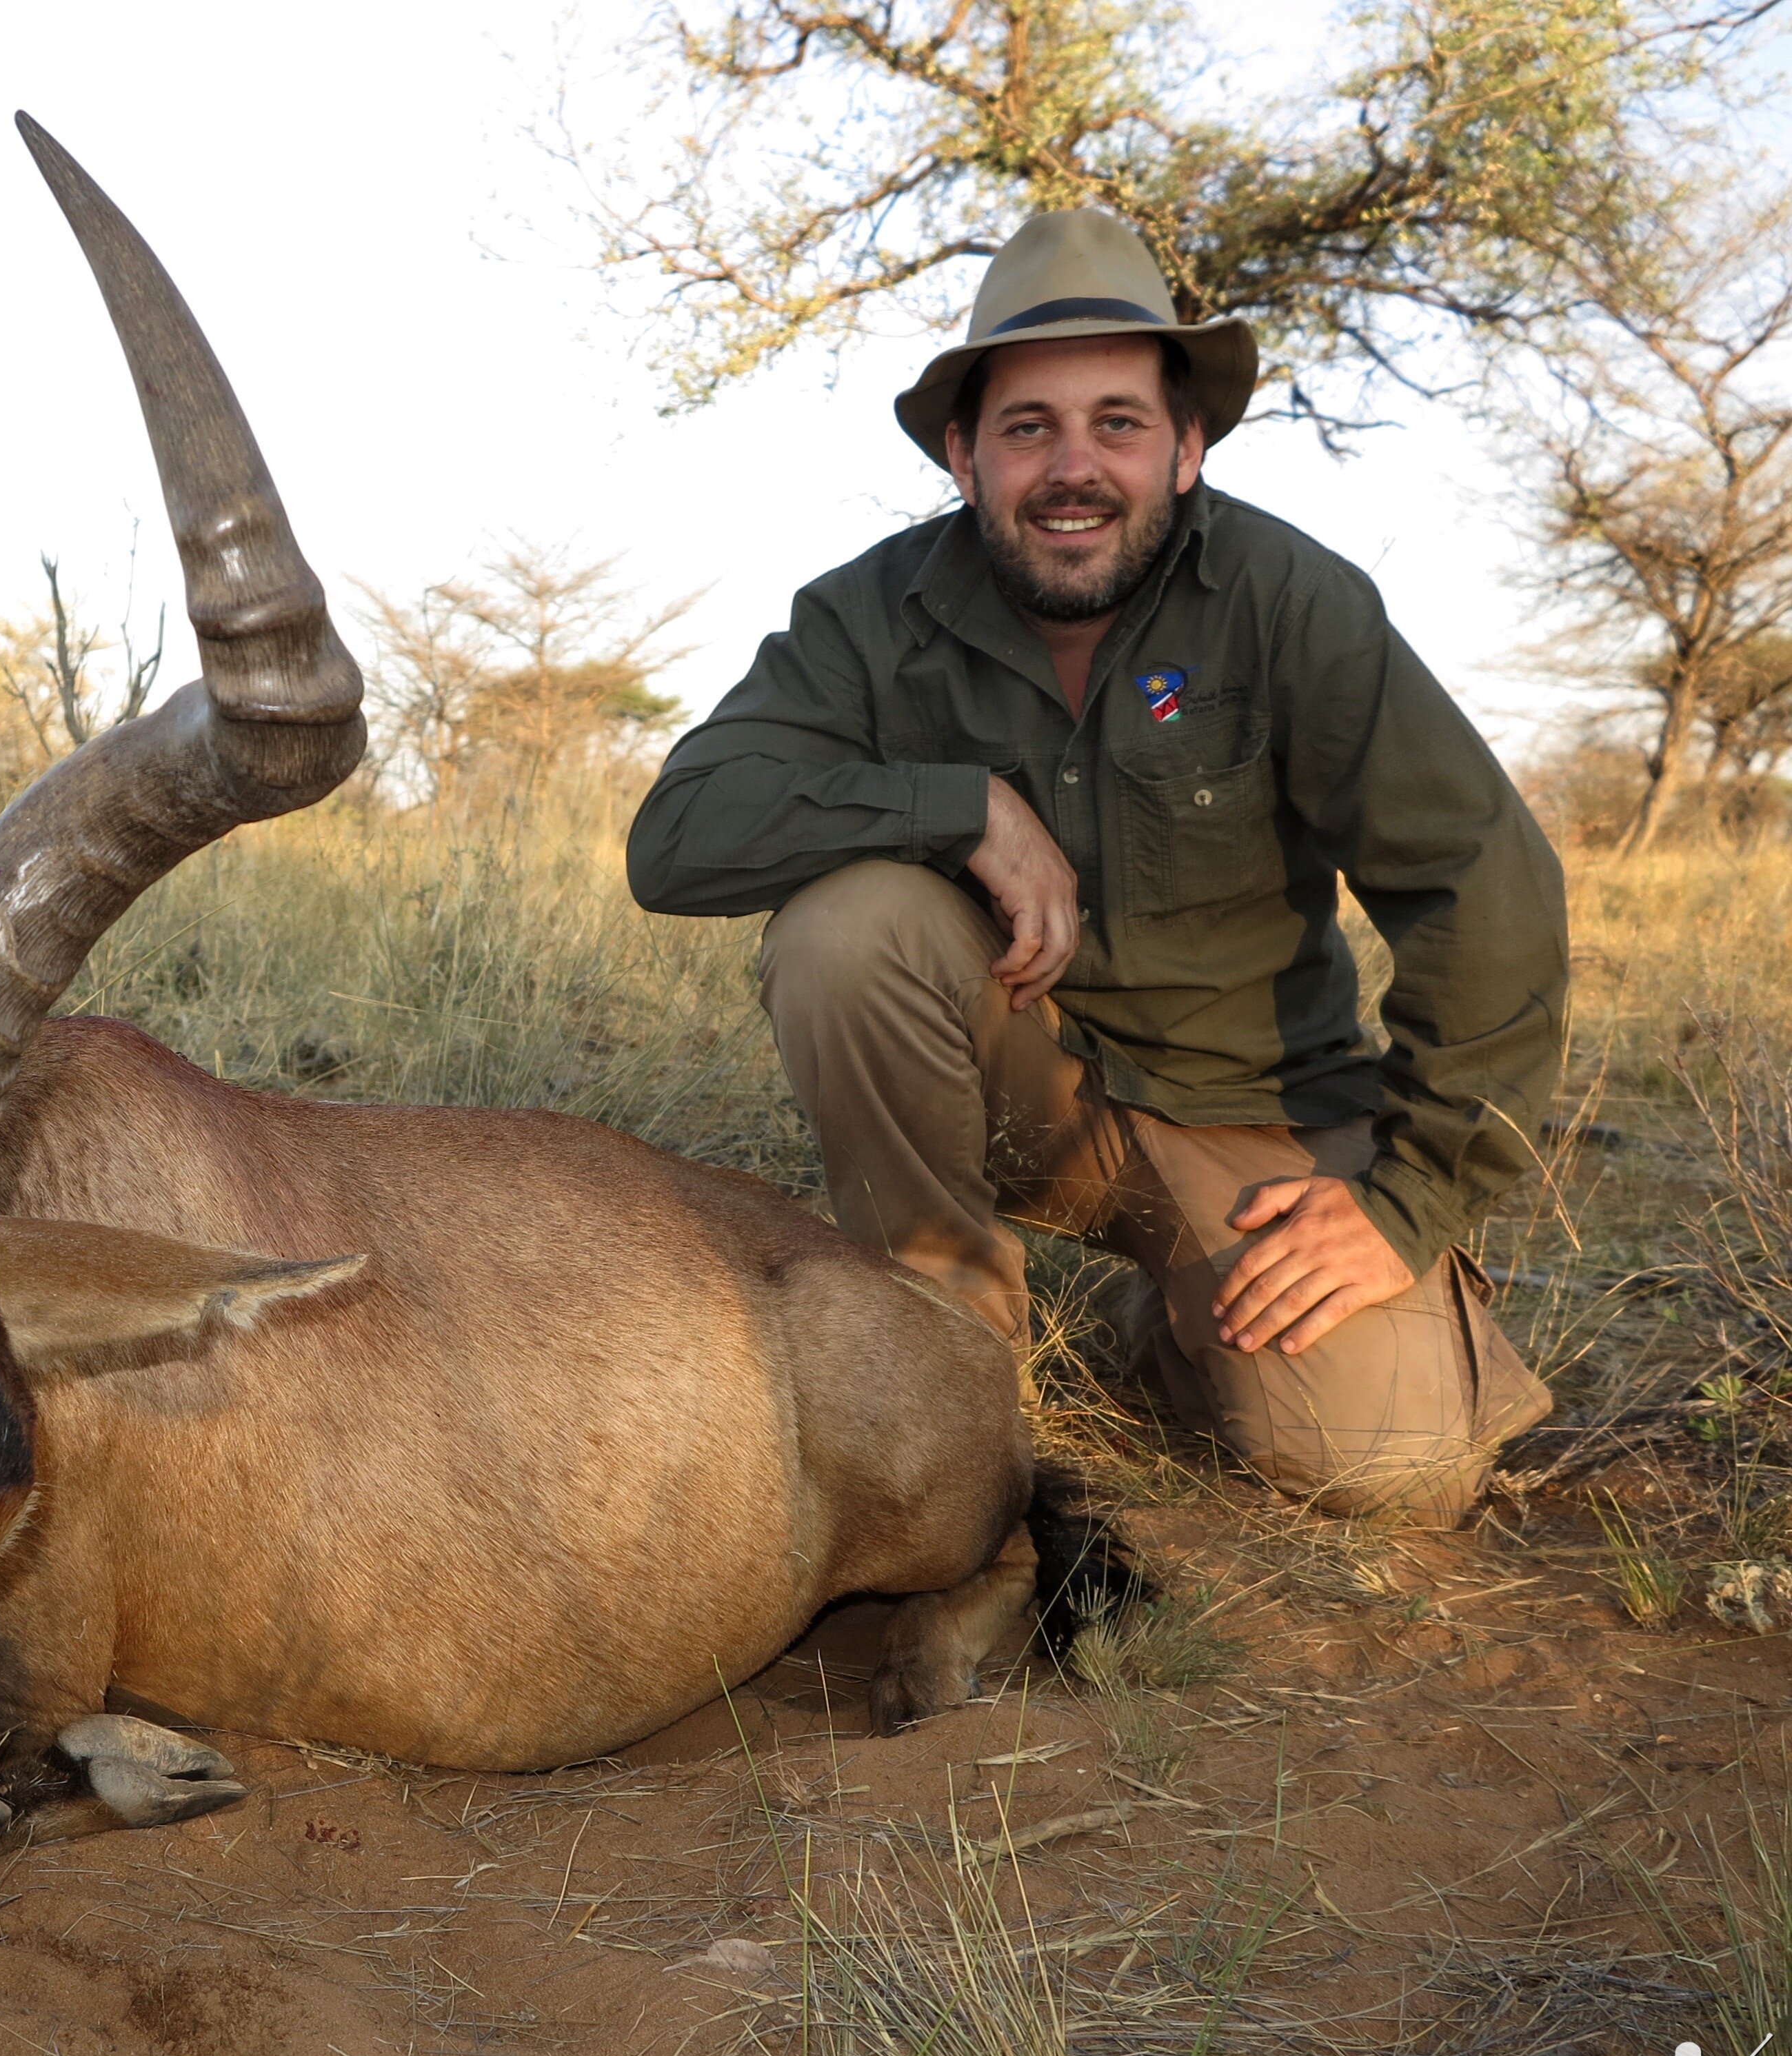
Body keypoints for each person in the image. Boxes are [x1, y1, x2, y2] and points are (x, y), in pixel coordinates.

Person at [627, 208, 1567, 1526]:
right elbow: (674, 837)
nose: (1074, 467)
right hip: (1011, 1076)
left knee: (1382, 1465)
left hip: (1251, 1107)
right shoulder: (861, 615)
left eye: (1117, 422)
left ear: (1186, 447)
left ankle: (1162, 1321)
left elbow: (1484, 883)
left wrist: (1405, 1201)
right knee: (848, 926)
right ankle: (945, 1338)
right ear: (962, 455)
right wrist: (952, 807)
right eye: (1027, 428)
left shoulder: (1290, 598)